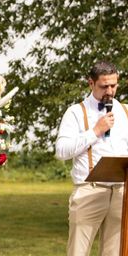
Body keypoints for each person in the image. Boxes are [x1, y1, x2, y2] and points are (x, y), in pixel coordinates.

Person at [56, 61, 128, 256]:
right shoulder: (75, 112)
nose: (110, 91)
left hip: (121, 193)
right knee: (78, 252)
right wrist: (96, 131)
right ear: (91, 83)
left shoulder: (125, 111)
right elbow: (61, 151)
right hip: (89, 190)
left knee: (115, 253)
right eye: (104, 86)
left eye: (113, 85)